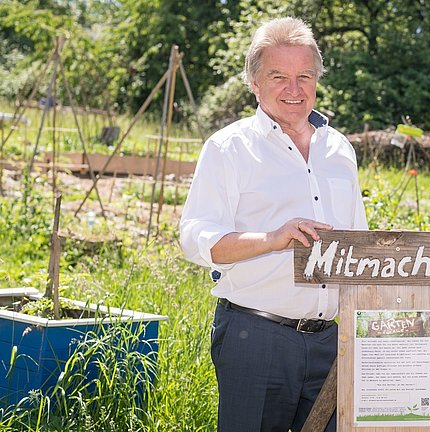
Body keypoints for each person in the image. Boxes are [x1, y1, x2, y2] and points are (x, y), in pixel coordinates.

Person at [179, 17, 367, 432]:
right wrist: (273, 239)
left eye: (304, 76)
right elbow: (195, 239)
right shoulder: (229, 147)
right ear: (254, 83)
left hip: (329, 343)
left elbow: (357, 241)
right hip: (255, 337)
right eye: (278, 77)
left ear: (317, 79)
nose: (294, 90)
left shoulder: (339, 149)